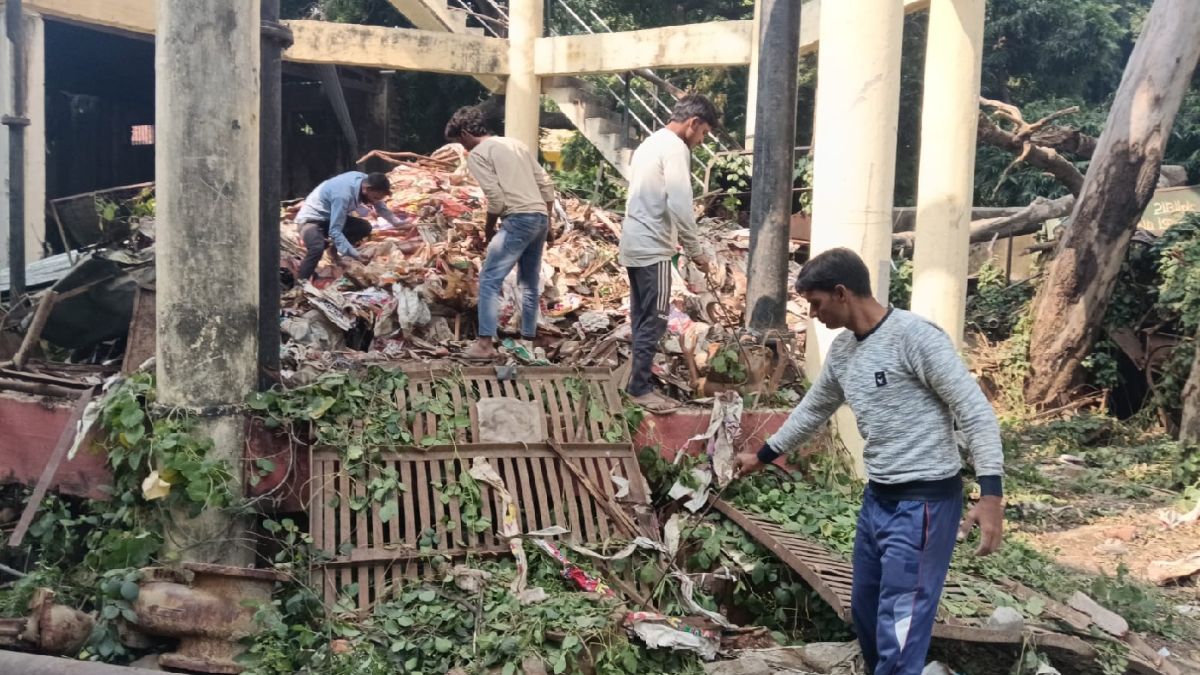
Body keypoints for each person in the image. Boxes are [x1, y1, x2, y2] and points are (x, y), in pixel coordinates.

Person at [735, 248, 1005, 675]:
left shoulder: (915, 337)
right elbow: (812, 410)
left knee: (900, 625)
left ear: (842, 293)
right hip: (878, 500)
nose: (813, 314)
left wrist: (991, 495)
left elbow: (975, 412)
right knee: (866, 611)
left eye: (816, 303)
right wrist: (762, 456)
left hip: (924, 504)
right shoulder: (844, 352)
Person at [619, 93, 719, 414]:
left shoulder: (649, 143)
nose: (701, 141)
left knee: (642, 318)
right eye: (703, 133)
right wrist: (695, 250)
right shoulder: (676, 148)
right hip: (654, 247)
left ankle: (635, 382)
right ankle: (639, 389)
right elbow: (680, 203)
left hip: (634, 243)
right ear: (693, 122)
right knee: (656, 320)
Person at [444, 106, 556, 360]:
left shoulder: (478, 154)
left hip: (518, 218)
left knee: (489, 279)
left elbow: (496, 200)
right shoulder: (516, 144)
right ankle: (528, 341)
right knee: (529, 282)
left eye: (460, 141)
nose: (463, 147)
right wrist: (549, 222)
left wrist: (488, 229)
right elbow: (546, 185)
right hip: (539, 217)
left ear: (465, 133)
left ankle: (485, 344)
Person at [295, 171, 405, 281]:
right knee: (317, 248)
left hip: (329, 217)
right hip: (310, 220)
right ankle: (301, 282)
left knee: (364, 227)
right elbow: (335, 231)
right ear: (367, 189)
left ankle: (332, 251)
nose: (374, 201)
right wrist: (355, 254)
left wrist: (399, 223)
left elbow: (380, 206)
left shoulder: (366, 181)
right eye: (375, 198)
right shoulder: (342, 195)